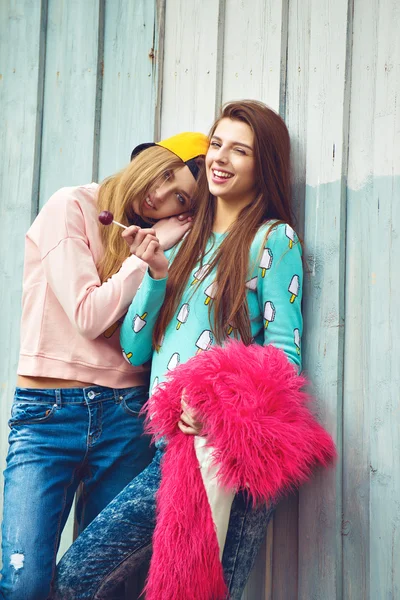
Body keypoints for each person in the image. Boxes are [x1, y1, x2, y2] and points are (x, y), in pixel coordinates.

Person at [51, 100, 304, 600]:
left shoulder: (272, 239)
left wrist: (218, 405)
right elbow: (134, 349)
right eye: (217, 145)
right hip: (167, 446)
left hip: (226, 448)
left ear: (264, 165)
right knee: (78, 575)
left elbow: (285, 357)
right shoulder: (184, 238)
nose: (221, 158)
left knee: (207, 592)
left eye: (240, 151)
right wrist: (154, 274)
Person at [0, 131, 209, 600]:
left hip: (125, 414)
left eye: (178, 198)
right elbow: (87, 316)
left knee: (101, 585)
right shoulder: (70, 206)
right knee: (23, 581)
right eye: (167, 173)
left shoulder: (174, 242)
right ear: (151, 157)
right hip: (48, 415)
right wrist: (146, 258)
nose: (160, 194)